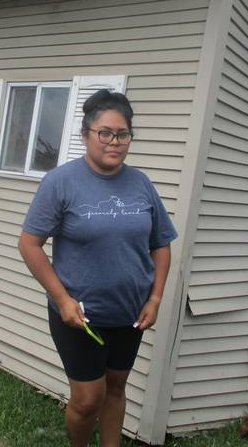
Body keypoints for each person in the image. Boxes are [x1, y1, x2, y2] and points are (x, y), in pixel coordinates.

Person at [18, 89, 177, 447]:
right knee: (88, 398)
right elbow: (29, 244)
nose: (114, 141)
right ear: (86, 134)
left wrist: (154, 298)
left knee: (116, 387)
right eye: (104, 132)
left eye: (122, 134)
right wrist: (61, 299)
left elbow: (161, 243)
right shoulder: (61, 182)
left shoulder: (141, 184)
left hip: (130, 313)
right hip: (80, 315)